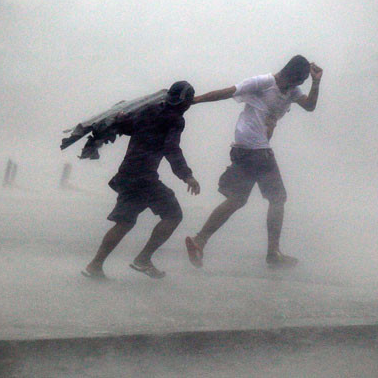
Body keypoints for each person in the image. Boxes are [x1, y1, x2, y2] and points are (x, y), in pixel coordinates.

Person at [185, 55, 323, 269]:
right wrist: (194, 100)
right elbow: (226, 92)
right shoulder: (263, 82)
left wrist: (316, 81)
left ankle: (200, 240)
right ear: (288, 73)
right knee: (278, 198)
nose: (297, 86)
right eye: (298, 80)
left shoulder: (291, 90)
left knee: (237, 200)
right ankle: (273, 253)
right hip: (255, 149)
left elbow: (310, 106)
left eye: (302, 82)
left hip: (245, 149)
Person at [83, 81, 200, 280]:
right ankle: (143, 259)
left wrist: (121, 119)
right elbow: (171, 149)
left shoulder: (148, 110)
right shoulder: (175, 119)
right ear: (186, 103)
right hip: (144, 178)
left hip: (128, 174)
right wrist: (186, 175)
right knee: (173, 215)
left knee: (124, 222)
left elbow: (129, 127)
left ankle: (95, 265)